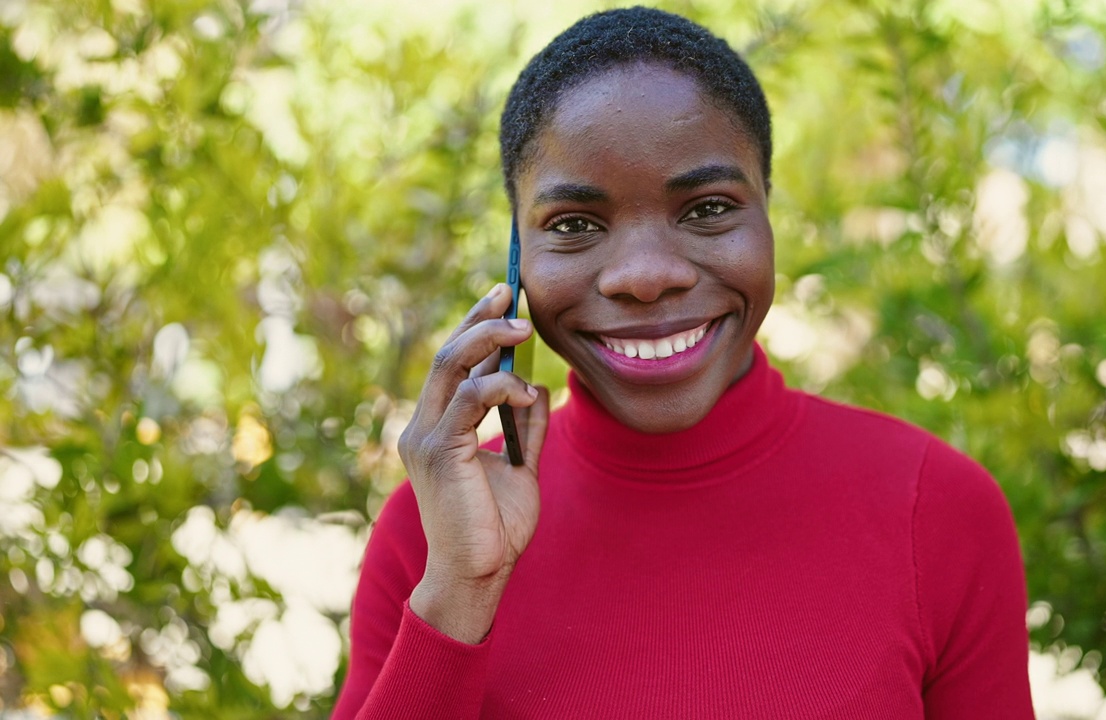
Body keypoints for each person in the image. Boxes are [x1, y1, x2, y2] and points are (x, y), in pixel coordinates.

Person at [333, 7, 1033, 718]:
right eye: (575, 225)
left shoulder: (935, 510)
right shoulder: (432, 533)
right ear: (516, 258)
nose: (645, 275)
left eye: (706, 209)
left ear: (767, 213)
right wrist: (460, 590)